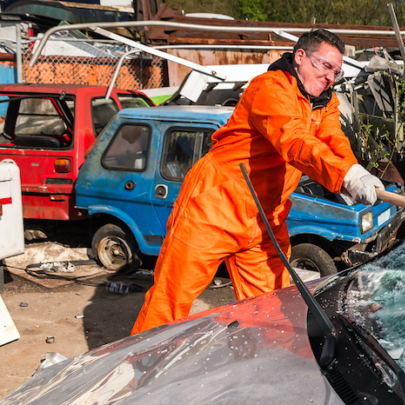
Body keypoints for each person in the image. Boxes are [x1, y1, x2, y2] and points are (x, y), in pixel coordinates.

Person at [131, 29, 383, 334]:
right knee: (170, 300)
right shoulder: (270, 88)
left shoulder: (324, 103)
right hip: (214, 208)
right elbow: (294, 141)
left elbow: (332, 142)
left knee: (272, 307)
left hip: (265, 219)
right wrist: (345, 175)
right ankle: (141, 373)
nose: (330, 77)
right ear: (300, 57)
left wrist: (355, 171)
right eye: (324, 66)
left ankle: (261, 371)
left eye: (336, 71)